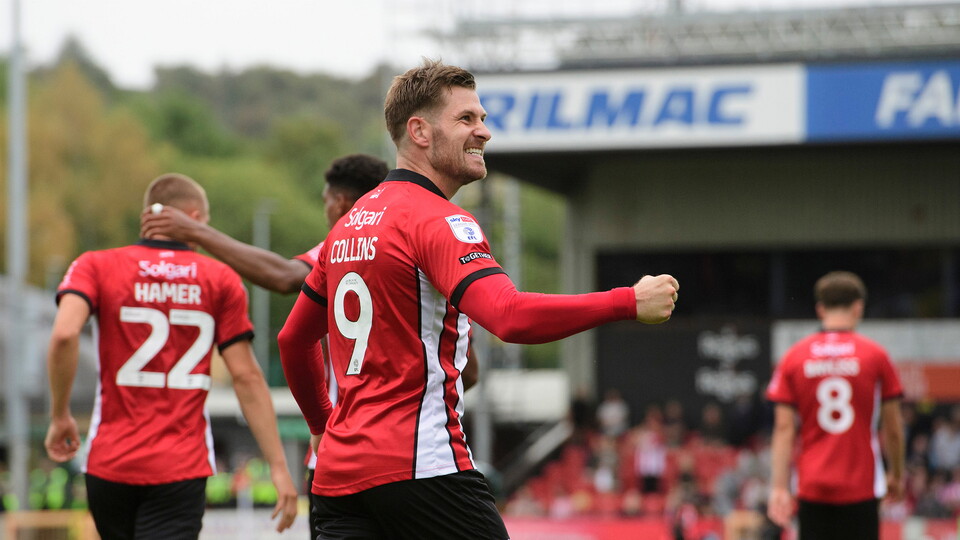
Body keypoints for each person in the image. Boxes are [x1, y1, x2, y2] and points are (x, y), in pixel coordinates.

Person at [277, 59, 679, 539]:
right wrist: (627, 302)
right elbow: (509, 318)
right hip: (423, 470)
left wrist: (327, 427)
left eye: (482, 119)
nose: (484, 132)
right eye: (466, 119)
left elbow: (292, 340)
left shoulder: (348, 225)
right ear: (420, 131)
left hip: (338, 480)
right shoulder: (439, 221)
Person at [140, 154, 480, 536]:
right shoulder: (422, 247)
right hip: (419, 457)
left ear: (340, 203)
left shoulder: (342, 247)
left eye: (324, 201)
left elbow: (286, 281)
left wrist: (199, 233)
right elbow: (469, 367)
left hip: (339, 456)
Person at [45, 173, 298, 539]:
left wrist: (60, 415)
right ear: (194, 219)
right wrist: (277, 465)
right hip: (181, 464)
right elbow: (246, 377)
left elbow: (65, 333)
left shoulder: (96, 265)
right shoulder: (220, 278)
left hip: (110, 462)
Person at [766, 271, 905, 540]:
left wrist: (779, 488)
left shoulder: (794, 357)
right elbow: (894, 429)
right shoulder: (876, 356)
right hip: (861, 486)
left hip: (812, 485)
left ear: (820, 309)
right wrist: (896, 475)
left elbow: (784, 429)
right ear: (858, 307)